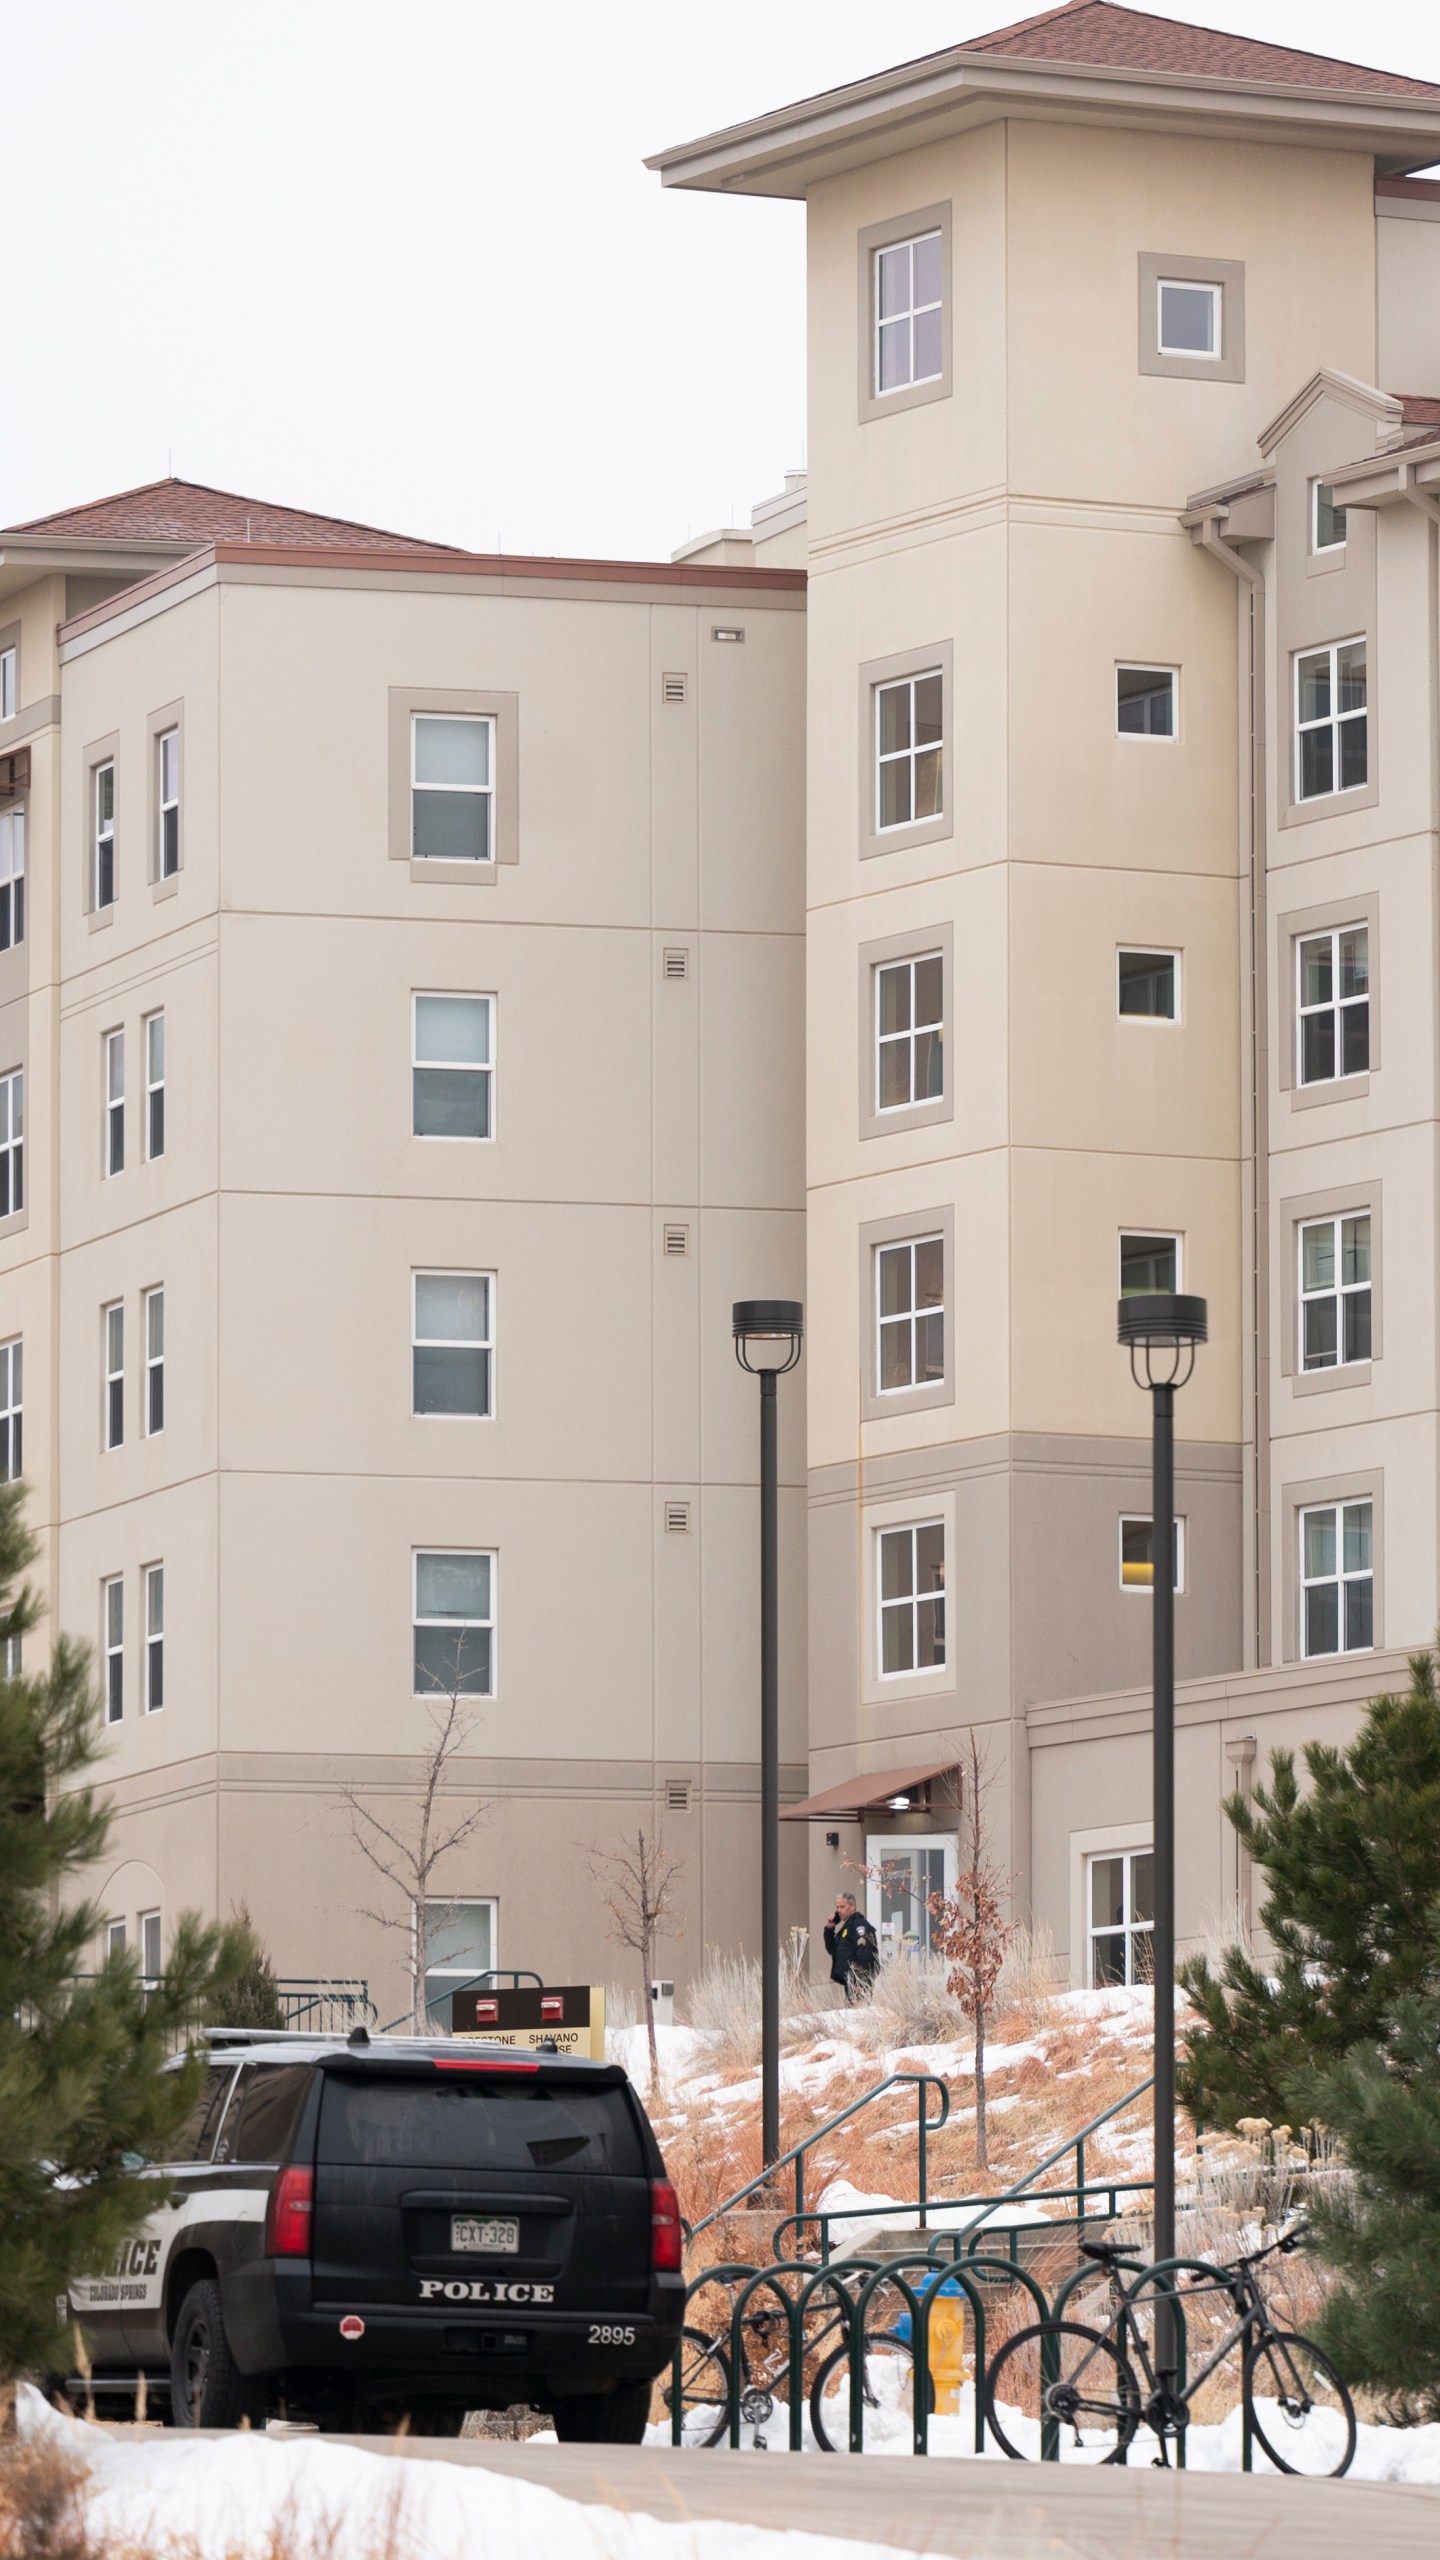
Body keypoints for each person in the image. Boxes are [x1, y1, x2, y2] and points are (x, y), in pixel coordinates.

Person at [823, 1893, 880, 2003]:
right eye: (837, 1907)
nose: (839, 1911)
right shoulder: (846, 1928)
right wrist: (829, 1929)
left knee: (858, 2012)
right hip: (849, 1981)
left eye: (842, 1907)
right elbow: (832, 1949)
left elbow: (865, 1954)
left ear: (852, 1906)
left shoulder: (859, 1925)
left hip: (858, 1982)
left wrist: (858, 1980)